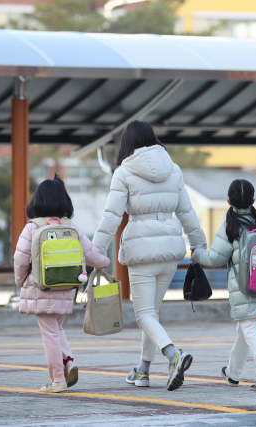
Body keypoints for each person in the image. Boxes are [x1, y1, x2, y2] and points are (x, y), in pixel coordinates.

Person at [93, 120, 206, 391]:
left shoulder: (123, 172)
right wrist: (198, 246)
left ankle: (173, 356)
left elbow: (111, 216)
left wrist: (95, 251)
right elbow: (187, 213)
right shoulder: (173, 169)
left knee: (143, 315)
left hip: (142, 252)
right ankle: (142, 370)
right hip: (169, 251)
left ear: (127, 143)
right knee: (152, 313)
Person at [13, 174, 110, 393]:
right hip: (66, 288)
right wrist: (104, 263)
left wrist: (20, 280)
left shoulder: (32, 228)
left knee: (49, 334)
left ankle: (58, 379)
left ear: (37, 201)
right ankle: (68, 362)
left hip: (40, 287)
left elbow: (20, 259)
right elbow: (91, 254)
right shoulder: (72, 228)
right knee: (56, 328)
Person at [192, 179, 256, 391]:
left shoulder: (230, 226)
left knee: (249, 328)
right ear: (253, 200)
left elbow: (213, 259)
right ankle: (232, 373)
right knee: (245, 328)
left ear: (229, 200)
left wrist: (196, 254)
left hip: (244, 287)